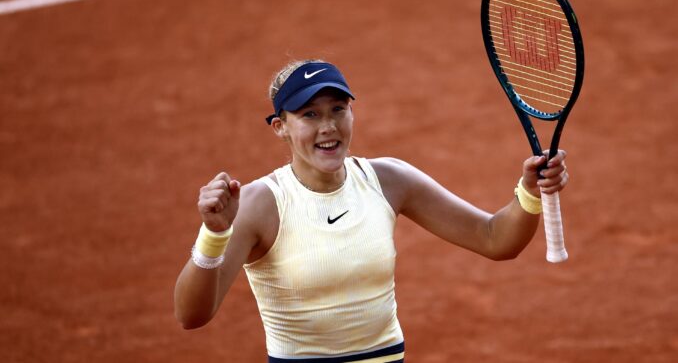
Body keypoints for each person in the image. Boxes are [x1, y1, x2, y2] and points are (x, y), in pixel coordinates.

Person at [174, 59, 569, 363]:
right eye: (309, 114)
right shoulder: (262, 204)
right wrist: (214, 234)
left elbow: (495, 238)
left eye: (337, 109)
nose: (328, 126)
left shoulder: (388, 179)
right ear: (280, 126)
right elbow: (192, 315)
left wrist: (529, 192)